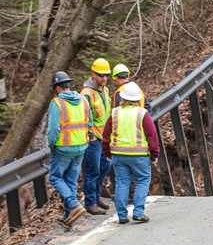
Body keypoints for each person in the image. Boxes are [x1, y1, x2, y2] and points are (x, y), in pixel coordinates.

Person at [101, 82, 159, 224]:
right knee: (142, 181)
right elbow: (151, 135)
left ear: (123, 98)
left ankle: (121, 215)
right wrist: (155, 154)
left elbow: (106, 135)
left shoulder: (114, 113)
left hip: (119, 155)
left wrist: (107, 153)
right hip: (139, 156)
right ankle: (138, 212)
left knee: (121, 183)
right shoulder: (142, 114)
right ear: (138, 99)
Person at [46, 71, 91, 227]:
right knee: (70, 181)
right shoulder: (83, 100)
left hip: (63, 147)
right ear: (68, 85)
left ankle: (73, 204)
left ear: (57, 88)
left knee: (55, 178)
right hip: (80, 147)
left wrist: (51, 145)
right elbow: (89, 123)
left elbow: (53, 131)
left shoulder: (57, 103)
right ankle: (68, 217)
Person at [81, 57, 113, 215]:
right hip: (93, 139)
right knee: (92, 170)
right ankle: (90, 202)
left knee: (105, 167)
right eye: (101, 75)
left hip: (105, 136)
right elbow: (84, 117)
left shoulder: (104, 90)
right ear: (93, 74)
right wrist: (91, 135)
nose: (104, 78)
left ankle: (96, 195)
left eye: (106, 75)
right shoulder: (87, 94)